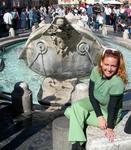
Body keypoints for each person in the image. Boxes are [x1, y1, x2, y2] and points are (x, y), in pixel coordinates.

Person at [64, 48, 128, 150]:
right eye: (106, 64)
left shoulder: (117, 82)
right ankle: (78, 144)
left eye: (113, 66)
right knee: (75, 107)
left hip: (110, 114)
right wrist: (99, 116)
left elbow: (112, 108)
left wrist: (110, 127)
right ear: (101, 62)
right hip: (97, 102)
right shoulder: (95, 71)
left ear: (118, 67)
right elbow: (91, 94)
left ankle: (77, 145)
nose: (109, 69)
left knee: (70, 112)